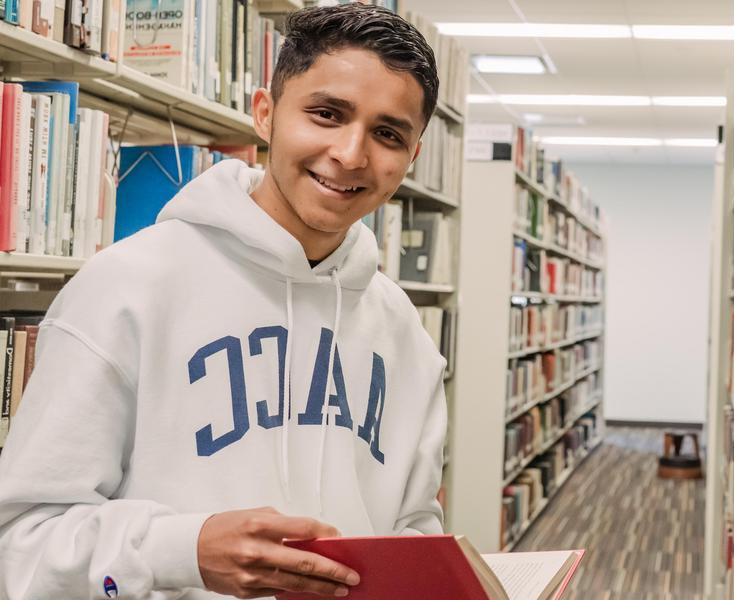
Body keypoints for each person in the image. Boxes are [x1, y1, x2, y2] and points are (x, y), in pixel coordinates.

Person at [0, 4, 447, 598]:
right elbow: (21, 545)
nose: (350, 153)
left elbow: (412, 527)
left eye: (387, 133)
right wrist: (182, 551)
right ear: (265, 114)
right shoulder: (124, 290)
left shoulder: (405, 334)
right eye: (325, 114)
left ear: (411, 158)